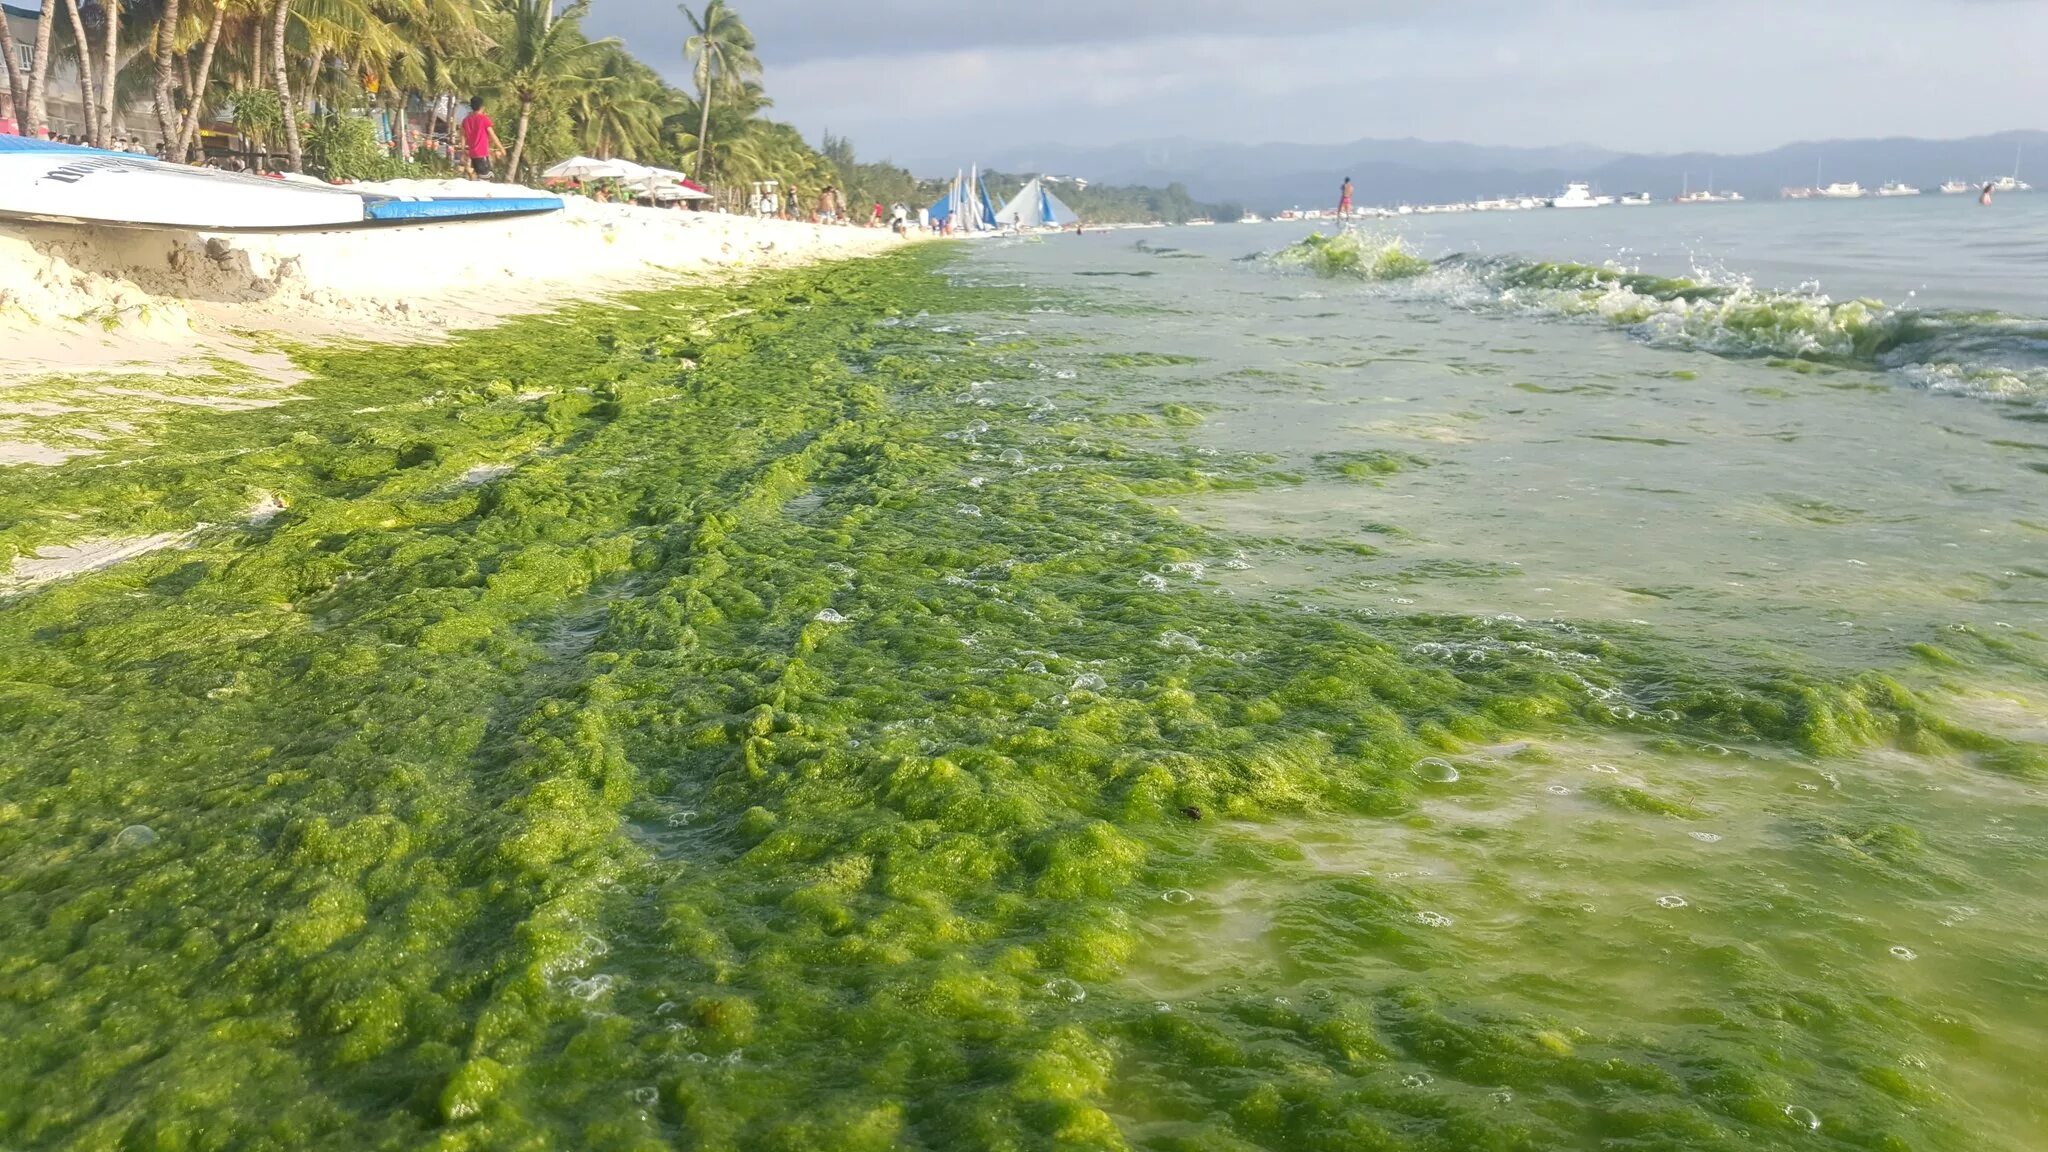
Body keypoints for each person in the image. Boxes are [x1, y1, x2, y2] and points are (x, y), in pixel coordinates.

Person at [460, 96, 501, 179]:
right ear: (482, 107)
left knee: (481, 177)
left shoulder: (465, 120)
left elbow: (462, 136)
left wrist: (463, 150)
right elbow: (493, 136)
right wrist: (501, 149)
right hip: (481, 153)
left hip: (472, 154)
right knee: (486, 178)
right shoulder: (484, 119)